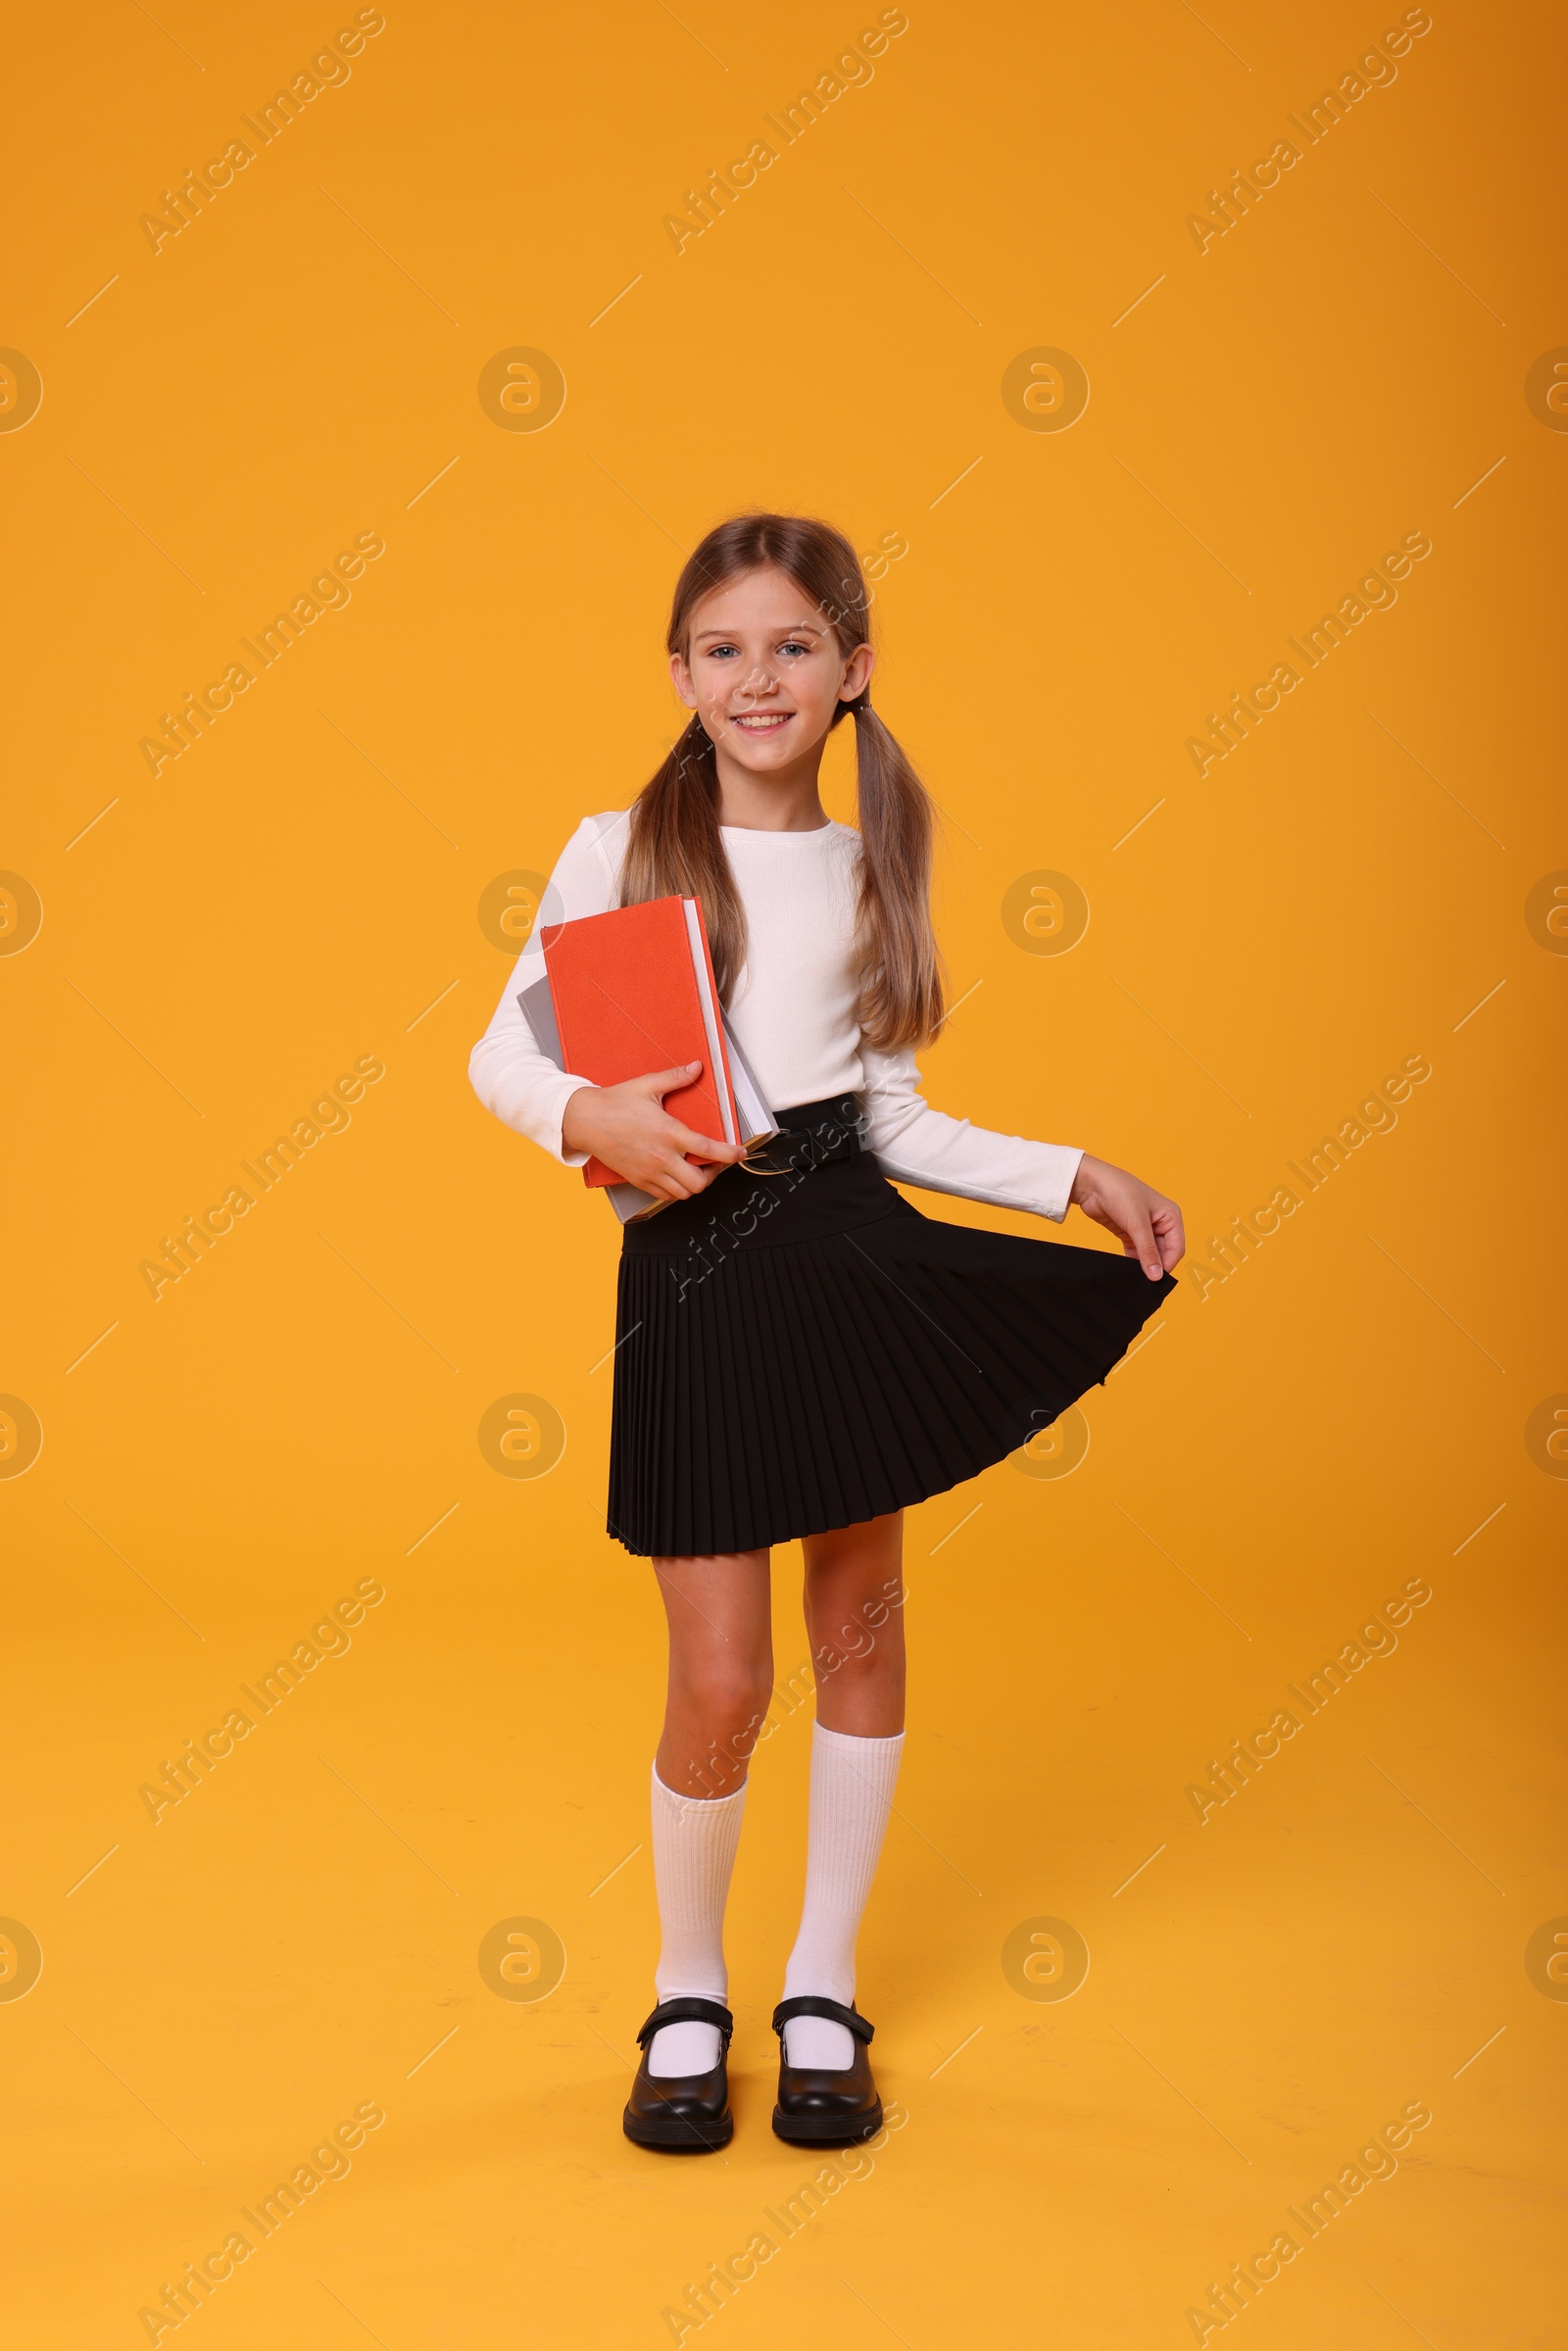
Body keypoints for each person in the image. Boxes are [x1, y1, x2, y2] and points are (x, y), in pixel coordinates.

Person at [469, 513, 1183, 2153]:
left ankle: (820, 1981)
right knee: (720, 1677)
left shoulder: (871, 866)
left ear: (853, 670)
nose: (758, 676)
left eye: (793, 644)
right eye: (723, 647)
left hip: (850, 1249)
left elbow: (891, 1116)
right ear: (678, 673)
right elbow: (496, 1060)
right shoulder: (617, 849)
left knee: (857, 1625)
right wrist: (589, 1106)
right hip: (700, 1274)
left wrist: (1074, 1177)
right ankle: (690, 1984)